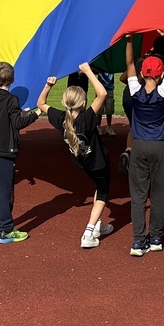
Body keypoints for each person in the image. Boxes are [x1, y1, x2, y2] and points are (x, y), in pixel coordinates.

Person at [37, 62, 114, 248]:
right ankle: (88, 232)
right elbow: (102, 93)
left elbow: (40, 104)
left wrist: (48, 86)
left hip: (83, 163)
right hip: (99, 162)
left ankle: (96, 225)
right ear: (84, 102)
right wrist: (88, 72)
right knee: (103, 192)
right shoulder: (87, 118)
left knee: (98, 186)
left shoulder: (60, 118)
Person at [0, 62, 40, 243]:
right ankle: (5, 229)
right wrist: (34, 114)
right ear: (12, 80)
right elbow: (17, 123)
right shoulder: (11, 100)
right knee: (4, 191)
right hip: (3, 151)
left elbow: (0, 118)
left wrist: (19, 114)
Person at [125, 31, 164, 257]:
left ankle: (138, 241)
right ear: (161, 73)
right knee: (158, 192)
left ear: (142, 72)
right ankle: (155, 237)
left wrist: (128, 41)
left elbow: (128, 62)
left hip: (138, 145)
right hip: (158, 145)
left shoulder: (135, 89)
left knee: (137, 196)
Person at [95, 69, 117, 135]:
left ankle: (109, 127)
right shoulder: (101, 63)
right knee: (99, 108)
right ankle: (98, 126)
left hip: (109, 87)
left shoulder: (111, 63)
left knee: (109, 108)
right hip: (100, 87)